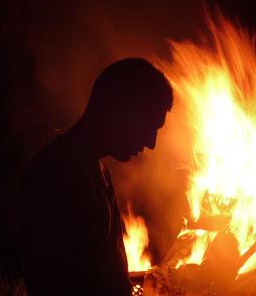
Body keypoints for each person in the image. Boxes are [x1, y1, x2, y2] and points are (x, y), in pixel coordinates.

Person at [17, 58, 173, 296]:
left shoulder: (93, 170)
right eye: (149, 126)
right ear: (124, 111)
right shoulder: (59, 173)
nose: (151, 143)